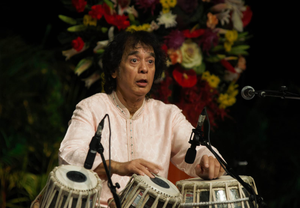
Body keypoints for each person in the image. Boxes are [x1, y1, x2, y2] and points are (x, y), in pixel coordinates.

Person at [58, 30, 225, 207]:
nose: (144, 68)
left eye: (150, 62)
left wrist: (208, 162)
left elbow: (198, 151)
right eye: (134, 60)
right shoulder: (92, 108)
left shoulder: (167, 115)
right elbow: (69, 156)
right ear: (114, 70)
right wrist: (117, 166)